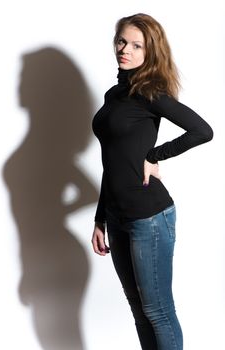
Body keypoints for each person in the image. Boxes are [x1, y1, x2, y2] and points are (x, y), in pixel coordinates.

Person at [91, 13, 213, 350]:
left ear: (150, 51)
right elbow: (110, 163)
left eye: (135, 45)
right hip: (116, 218)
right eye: (121, 41)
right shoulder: (113, 96)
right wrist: (100, 218)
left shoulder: (150, 94)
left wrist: (155, 155)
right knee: (139, 311)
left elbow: (203, 131)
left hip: (149, 218)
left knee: (157, 311)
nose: (125, 49)